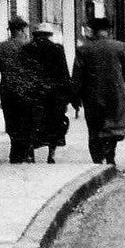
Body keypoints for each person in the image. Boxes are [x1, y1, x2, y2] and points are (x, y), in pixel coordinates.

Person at [72, 17, 125, 166]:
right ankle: (110, 154)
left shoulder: (83, 49)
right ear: (109, 31)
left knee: (94, 129)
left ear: (93, 32)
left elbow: (77, 76)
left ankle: (97, 160)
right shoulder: (120, 47)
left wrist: (75, 98)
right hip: (115, 94)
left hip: (92, 97)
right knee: (113, 126)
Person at [0, 16, 37, 163]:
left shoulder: (0, 47)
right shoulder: (30, 47)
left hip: (8, 93)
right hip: (28, 92)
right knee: (27, 123)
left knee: (12, 124)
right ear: (21, 29)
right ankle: (27, 153)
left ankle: (16, 153)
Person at [24, 22, 75, 164]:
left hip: (34, 93)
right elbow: (64, 73)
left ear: (36, 35)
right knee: (54, 124)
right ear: (49, 35)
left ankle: (30, 153)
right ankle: (51, 154)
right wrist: (67, 96)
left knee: (32, 123)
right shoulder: (57, 49)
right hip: (54, 95)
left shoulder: (27, 49)